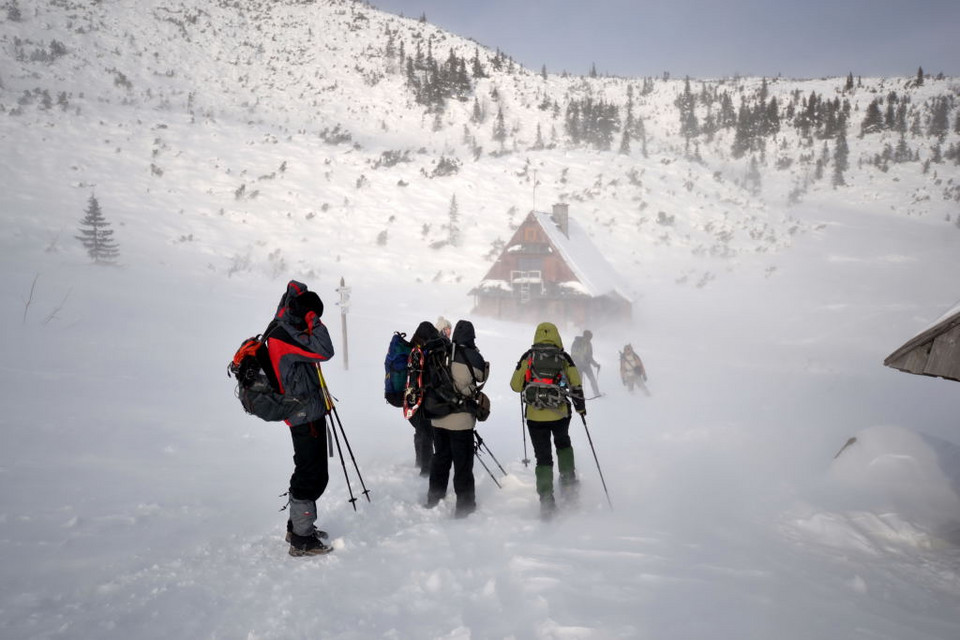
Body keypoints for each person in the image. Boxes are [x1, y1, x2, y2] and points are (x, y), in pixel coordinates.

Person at [263, 280, 335, 557]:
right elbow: (324, 351)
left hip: (307, 410)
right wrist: (312, 319)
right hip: (303, 413)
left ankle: (298, 528)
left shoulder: (285, 327)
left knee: (309, 470)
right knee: (311, 474)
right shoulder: (284, 333)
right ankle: (302, 540)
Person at [510, 322, 586, 519]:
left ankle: (546, 499)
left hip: (534, 416)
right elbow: (576, 384)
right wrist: (580, 408)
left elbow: (515, 386)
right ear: (556, 335)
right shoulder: (563, 357)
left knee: (543, 456)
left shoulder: (529, 356)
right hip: (560, 414)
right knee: (562, 443)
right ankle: (568, 484)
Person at [425, 319, 488, 518]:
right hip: (461, 420)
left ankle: (434, 498)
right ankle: (465, 505)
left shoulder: (440, 352)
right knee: (462, 463)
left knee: (440, 458)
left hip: (438, 416)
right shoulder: (473, 356)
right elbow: (482, 376)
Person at [408, 321, 439, 477]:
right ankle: (425, 470)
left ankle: (420, 461)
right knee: (427, 432)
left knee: (421, 431)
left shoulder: (411, 348)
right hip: (424, 400)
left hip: (410, 400)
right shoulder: (425, 351)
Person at [571, 329, 601, 398]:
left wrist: (595, 364)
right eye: (589, 338)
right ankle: (578, 395)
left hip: (586, 365)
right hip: (579, 365)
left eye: (590, 338)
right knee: (579, 381)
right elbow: (573, 353)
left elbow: (590, 357)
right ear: (585, 336)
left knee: (592, 379)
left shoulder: (589, 344)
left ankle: (597, 393)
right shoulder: (577, 342)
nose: (589, 340)